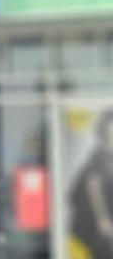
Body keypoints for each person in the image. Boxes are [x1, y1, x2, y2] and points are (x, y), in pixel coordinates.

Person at [70, 110, 113, 259]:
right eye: (110, 133)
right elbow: (93, 186)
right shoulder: (99, 157)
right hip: (100, 228)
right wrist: (103, 218)